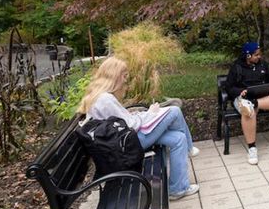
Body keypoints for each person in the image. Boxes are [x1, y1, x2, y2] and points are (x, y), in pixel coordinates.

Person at [77, 56, 199, 200]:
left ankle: (178, 189)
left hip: (121, 143)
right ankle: (189, 149)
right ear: (114, 76)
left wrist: (141, 114)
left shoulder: (100, 96)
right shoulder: (105, 99)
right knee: (174, 111)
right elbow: (132, 125)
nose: (125, 80)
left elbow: (122, 122)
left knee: (179, 138)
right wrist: (150, 113)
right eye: (124, 76)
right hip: (127, 145)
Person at [225, 42, 269, 165]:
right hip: (243, 98)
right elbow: (229, 87)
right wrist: (240, 91)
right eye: (256, 55)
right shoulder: (237, 67)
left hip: (259, 96)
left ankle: (255, 103)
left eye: (259, 54)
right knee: (248, 111)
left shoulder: (263, 65)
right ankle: (252, 148)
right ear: (248, 56)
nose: (259, 57)